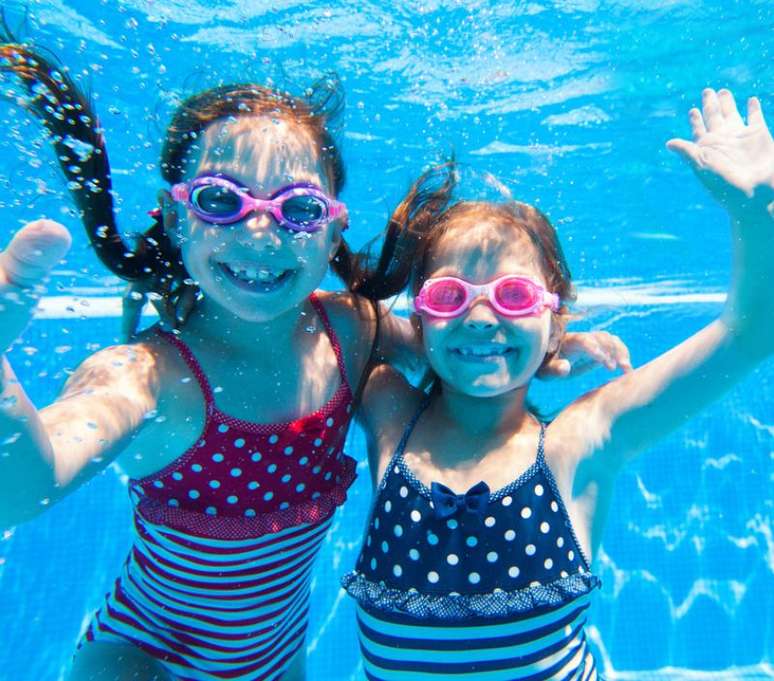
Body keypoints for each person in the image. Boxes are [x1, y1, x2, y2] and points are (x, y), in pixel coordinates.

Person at [0, 39, 629, 681]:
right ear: (173, 216)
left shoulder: (350, 331)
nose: (260, 232)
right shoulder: (145, 377)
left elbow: (455, 355)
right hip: (143, 655)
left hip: (277, 657)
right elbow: (25, 488)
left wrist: (542, 354)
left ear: (332, 231)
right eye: (222, 200)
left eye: (298, 209)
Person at [342, 88, 774, 680]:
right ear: (418, 317)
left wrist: (754, 215)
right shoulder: (390, 411)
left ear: (555, 320)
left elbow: (749, 334)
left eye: (515, 297)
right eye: (449, 297)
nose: (481, 317)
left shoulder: (580, 441)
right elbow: (325, 319)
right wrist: (484, 345)